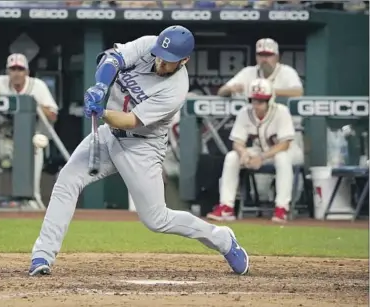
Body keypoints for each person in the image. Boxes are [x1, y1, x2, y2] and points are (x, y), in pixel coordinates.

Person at [28, 25, 249, 277]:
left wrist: (101, 112)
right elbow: (112, 58)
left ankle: (222, 239)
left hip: (141, 146)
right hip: (109, 136)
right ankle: (42, 255)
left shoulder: (175, 90)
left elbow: (130, 121)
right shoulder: (149, 45)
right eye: (160, 57)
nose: (160, 63)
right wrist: (101, 86)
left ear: (184, 60)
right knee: (67, 180)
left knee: (157, 219)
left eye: (169, 62)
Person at [207, 79, 303, 223]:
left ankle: (282, 208)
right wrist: (243, 153)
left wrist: (262, 157)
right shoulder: (245, 112)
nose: (257, 104)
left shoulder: (282, 111)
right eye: (254, 100)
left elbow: (285, 145)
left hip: (289, 152)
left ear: (270, 100)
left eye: (261, 101)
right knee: (232, 157)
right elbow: (237, 142)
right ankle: (227, 206)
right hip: (261, 150)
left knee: (282, 157)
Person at [0, 53, 58, 209]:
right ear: (7, 72)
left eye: (20, 69)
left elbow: (53, 115)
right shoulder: (1, 82)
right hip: (5, 139)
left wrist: (33, 105)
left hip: (30, 142)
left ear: (27, 72)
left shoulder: (37, 85)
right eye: (13, 69)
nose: (16, 73)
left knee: (35, 162)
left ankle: (31, 199)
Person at [217, 38, 303, 99]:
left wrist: (268, 91)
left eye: (268, 55)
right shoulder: (247, 72)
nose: (264, 59)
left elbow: (298, 92)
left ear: (277, 57)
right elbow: (221, 91)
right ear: (256, 57)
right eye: (261, 55)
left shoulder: (287, 71)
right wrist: (230, 89)